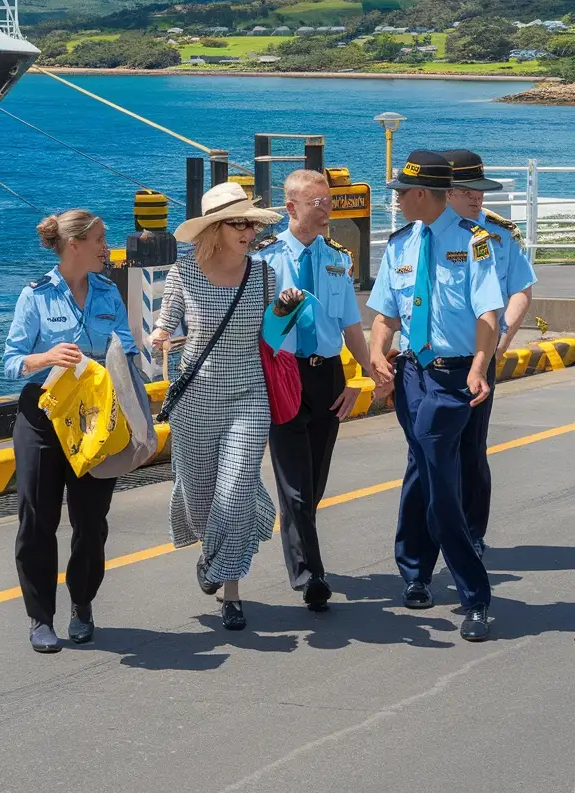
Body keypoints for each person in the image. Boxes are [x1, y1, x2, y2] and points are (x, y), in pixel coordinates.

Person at [367, 150, 503, 642]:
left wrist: (482, 370)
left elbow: (490, 314)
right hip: (411, 375)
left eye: (401, 193)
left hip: (454, 379)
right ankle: (416, 573)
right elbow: (385, 314)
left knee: (439, 479)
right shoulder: (400, 244)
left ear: (423, 194)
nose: (396, 200)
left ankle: (476, 596)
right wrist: (378, 355)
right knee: (422, 468)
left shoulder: (475, 243)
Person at [3, 208, 140, 654]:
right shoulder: (35, 296)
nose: (106, 246)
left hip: (95, 420)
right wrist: (45, 358)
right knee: (37, 520)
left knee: (90, 521)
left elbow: (127, 350)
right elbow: (9, 362)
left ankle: (82, 604)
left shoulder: (107, 291)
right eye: (100, 239)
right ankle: (40, 617)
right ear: (75, 244)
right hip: (43, 417)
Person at [151, 182, 281, 632]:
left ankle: (230, 591)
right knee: (202, 496)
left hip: (249, 394)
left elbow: (274, 339)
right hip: (195, 398)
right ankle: (214, 555)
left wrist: (287, 313)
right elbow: (165, 321)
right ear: (215, 229)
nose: (247, 230)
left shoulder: (265, 274)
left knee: (236, 489)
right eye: (237, 222)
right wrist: (159, 337)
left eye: (251, 222)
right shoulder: (184, 273)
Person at [254, 169, 373, 611]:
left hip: (328, 377)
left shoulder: (338, 258)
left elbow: (350, 325)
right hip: (284, 375)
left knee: (315, 483)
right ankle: (311, 576)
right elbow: (260, 330)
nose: (325, 209)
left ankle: (303, 549)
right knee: (296, 488)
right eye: (315, 202)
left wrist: (365, 374)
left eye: (328, 201)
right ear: (291, 207)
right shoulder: (264, 259)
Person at [443, 149, 536, 552]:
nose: (477, 198)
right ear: (445, 193)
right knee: (428, 453)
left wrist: (503, 339)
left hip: (483, 355)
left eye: (480, 191)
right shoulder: (426, 234)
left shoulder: (501, 234)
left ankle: (472, 533)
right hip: (436, 357)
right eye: (467, 191)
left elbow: (520, 288)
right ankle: (436, 530)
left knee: (472, 447)